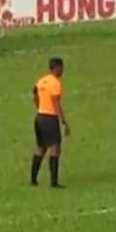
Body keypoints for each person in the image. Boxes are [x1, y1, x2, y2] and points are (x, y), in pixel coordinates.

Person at [31, 57, 69, 188]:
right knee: (55, 148)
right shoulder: (55, 83)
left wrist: (39, 107)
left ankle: (33, 179)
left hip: (39, 117)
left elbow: (35, 93)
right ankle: (54, 182)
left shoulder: (42, 80)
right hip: (49, 118)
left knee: (41, 147)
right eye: (61, 68)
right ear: (56, 68)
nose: (62, 70)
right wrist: (63, 120)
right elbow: (56, 102)